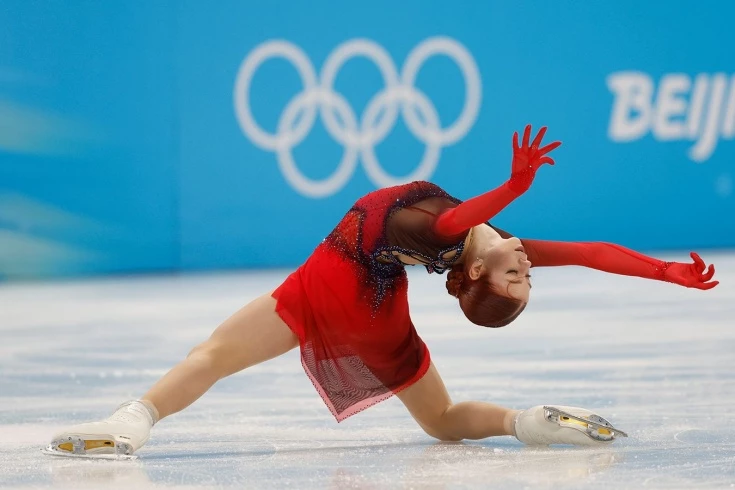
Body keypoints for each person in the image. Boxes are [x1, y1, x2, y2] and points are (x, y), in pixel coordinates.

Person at [46, 126, 718, 458]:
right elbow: (591, 253)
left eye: (517, 276)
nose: (526, 264)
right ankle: (530, 422)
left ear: (479, 277)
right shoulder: (492, 243)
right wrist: (666, 273)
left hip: (338, 280)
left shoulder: (455, 235)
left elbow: (455, 220)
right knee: (442, 421)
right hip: (374, 307)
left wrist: (514, 184)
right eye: (526, 274)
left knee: (216, 353)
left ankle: (129, 422)